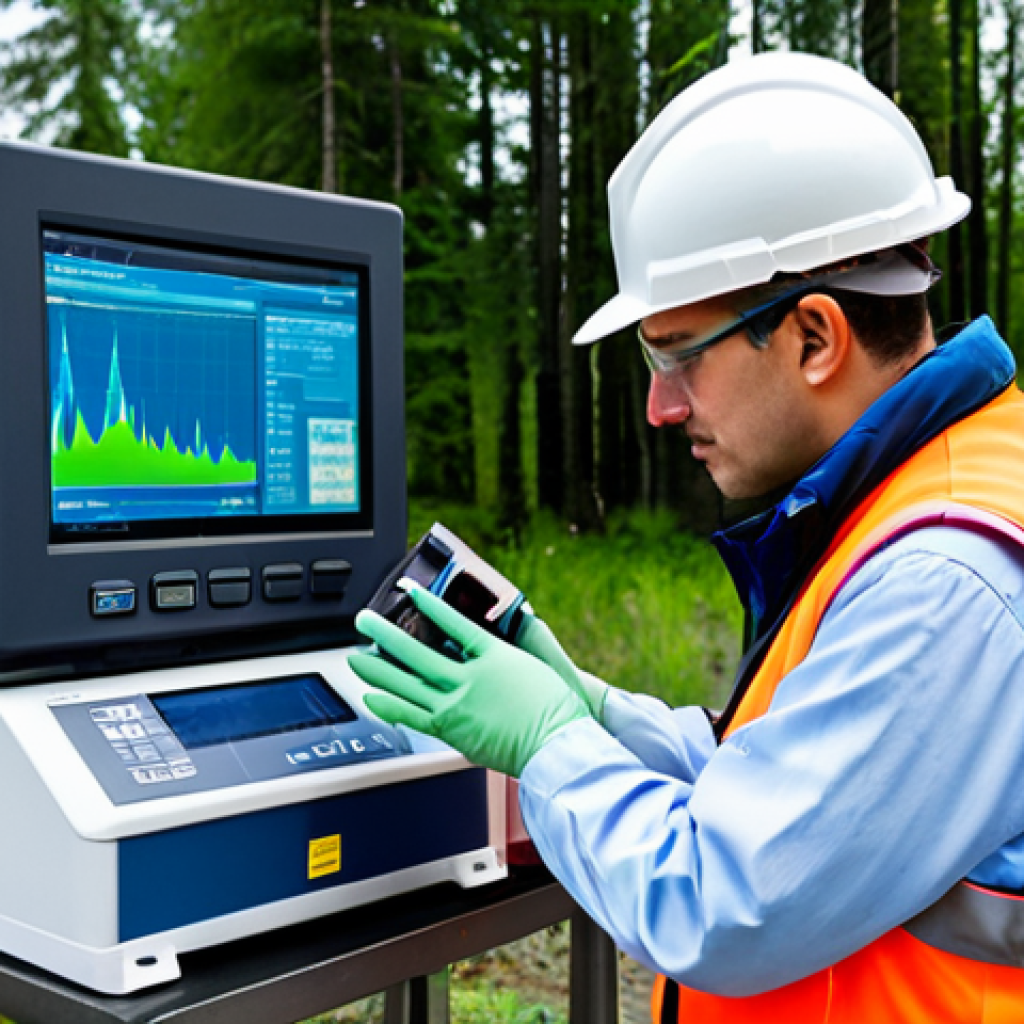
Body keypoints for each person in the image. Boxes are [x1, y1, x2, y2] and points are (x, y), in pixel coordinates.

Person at [349, 52, 1024, 1022]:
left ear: (814, 337)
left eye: (677, 357)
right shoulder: (930, 489)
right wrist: (592, 709)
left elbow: (721, 900)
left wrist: (549, 745)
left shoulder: (943, 581)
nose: (661, 407)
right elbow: (800, 789)